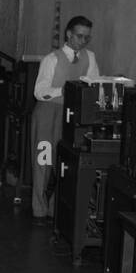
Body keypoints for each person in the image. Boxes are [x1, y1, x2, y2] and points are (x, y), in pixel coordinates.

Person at [30, 15, 100, 220]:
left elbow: (93, 84)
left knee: (64, 163)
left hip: (71, 116)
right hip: (47, 113)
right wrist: (67, 90)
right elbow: (39, 91)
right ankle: (39, 209)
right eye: (79, 36)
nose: (83, 41)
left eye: (87, 37)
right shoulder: (51, 59)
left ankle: (55, 208)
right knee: (43, 162)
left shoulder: (90, 58)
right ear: (69, 34)